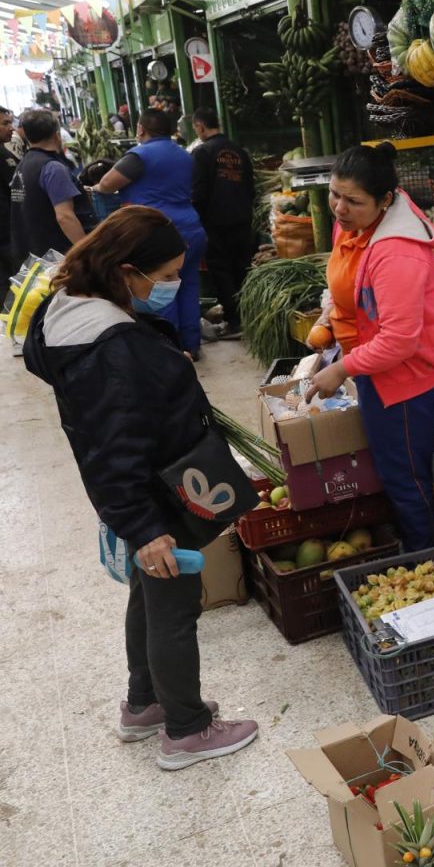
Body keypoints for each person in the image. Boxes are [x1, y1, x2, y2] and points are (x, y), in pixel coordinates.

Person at [21, 206, 259, 770]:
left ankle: (144, 702)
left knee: (146, 591)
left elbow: (114, 417)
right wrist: (146, 527)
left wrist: (158, 359)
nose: (174, 285)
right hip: (157, 493)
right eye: (168, 275)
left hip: (146, 489)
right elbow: (115, 445)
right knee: (174, 607)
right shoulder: (109, 348)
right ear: (127, 271)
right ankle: (187, 730)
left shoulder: (71, 310)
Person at [305, 144, 434, 551]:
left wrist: (340, 369)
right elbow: (348, 285)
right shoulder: (353, 223)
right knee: (394, 467)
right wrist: (328, 318)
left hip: (404, 378)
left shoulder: (397, 253)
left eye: (353, 200)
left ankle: (427, 558)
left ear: (385, 201)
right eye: (335, 194)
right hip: (371, 365)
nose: (339, 207)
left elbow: (400, 340)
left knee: (404, 476)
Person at [97, 110, 208, 357]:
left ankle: (169, 348)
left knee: (156, 288)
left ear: (140, 130)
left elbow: (106, 184)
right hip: (191, 227)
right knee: (187, 285)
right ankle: (191, 344)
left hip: (156, 231)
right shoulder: (185, 154)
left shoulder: (140, 155)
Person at [190, 107, 254, 339]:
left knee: (221, 271)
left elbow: (198, 192)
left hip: (215, 222)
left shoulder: (202, 153)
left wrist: (198, 222)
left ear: (199, 127)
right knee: (242, 269)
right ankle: (248, 318)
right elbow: (250, 187)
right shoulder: (239, 150)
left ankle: (234, 322)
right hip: (242, 219)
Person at [17, 109, 93, 258]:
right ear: (56, 134)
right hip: (59, 253)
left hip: (35, 251)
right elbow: (65, 217)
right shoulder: (53, 168)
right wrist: (86, 252)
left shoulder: (24, 164)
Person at [0, 106, 18, 274]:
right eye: (5, 123)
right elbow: (17, 190)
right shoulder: (2, 154)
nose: (11, 128)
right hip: (5, 232)